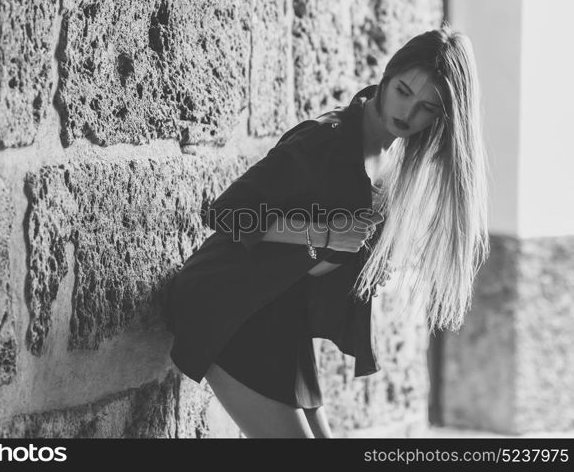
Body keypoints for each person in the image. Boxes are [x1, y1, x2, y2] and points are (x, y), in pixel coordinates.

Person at [165, 23, 489, 438]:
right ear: (387, 78)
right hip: (227, 306)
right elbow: (229, 214)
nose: (407, 114)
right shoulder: (325, 139)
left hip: (279, 318)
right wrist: (324, 236)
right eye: (404, 92)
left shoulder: (393, 163)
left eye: (427, 107)